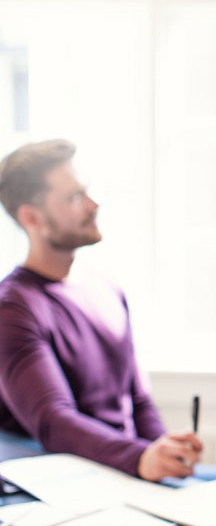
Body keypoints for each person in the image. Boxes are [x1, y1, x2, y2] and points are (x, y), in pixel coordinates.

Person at [0, 140, 203, 480]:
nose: (94, 204)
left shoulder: (108, 290)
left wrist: (165, 455)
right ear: (31, 217)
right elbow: (52, 420)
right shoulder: (13, 309)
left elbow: (137, 400)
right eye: (74, 198)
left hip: (127, 469)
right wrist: (140, 458)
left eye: (87, 191)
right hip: (76, 484)